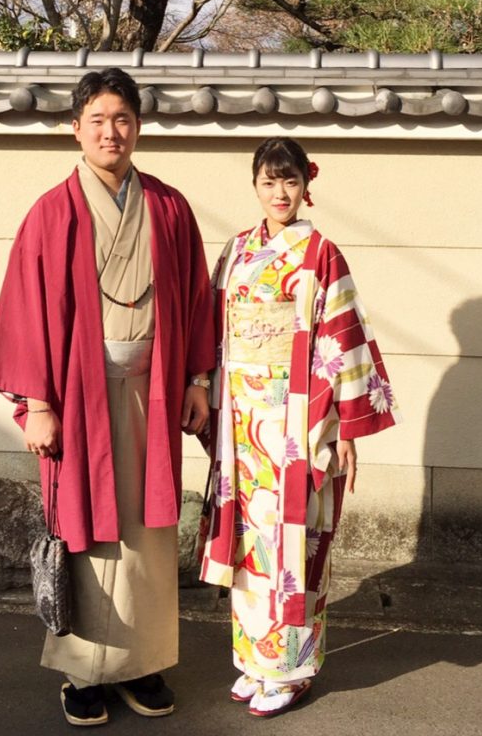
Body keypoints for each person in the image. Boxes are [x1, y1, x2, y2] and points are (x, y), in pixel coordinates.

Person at [0, 68, 214, 725]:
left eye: (123, 120)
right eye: (98, 120)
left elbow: (196, 296)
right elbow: (26, 310)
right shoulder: (51, 213)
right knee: (83, 528)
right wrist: (38, 404)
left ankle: (143, 663)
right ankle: (82, 671)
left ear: (138, 127)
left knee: (147, 532)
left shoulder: (168, 207)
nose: (112, 132)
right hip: (76, 398)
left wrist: (197, 381)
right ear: (75, 129)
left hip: (153, 392)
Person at [201, 137, 400, 718]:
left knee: (293, 545)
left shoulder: (321, 253)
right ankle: (253, 659)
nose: (279, 193)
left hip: (297, 421)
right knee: (249, 542)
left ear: (305, 186)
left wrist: (346, 430)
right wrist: (204, 393)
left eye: (289, 181)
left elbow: (343, 339)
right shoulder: (236, 250)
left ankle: (291, 669)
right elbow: (212, 327)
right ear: (255, 186)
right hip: (241, 419)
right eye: (269, 181)